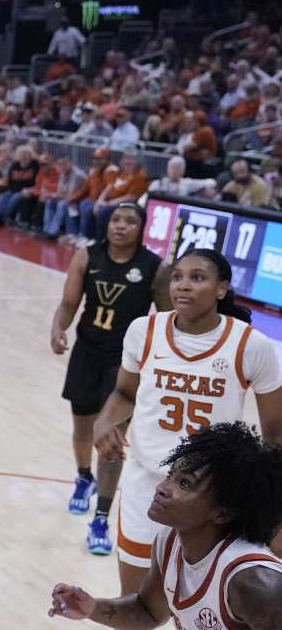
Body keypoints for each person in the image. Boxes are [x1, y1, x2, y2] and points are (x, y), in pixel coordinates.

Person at [93, 249, 282, 594]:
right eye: (178, 276)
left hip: (211, 497)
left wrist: (270, 503)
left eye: (198, 278)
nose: (183, 285)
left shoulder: (251, 346)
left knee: (207, 608)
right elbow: (124, 393)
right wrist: (104, 421)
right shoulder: (144, 331)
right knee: (136, 604)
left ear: (221, 288)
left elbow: (275, 433)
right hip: (147, 486)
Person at [48, 422, 282, 629]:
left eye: (184, 483)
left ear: (222, 512)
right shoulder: (170, 541)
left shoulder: (254, 584)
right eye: (171, 475)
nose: (162, 487)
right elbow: (148, 611)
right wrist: (92, 608)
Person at [51, 203, 170, 556]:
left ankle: (101, 517)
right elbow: (69, 302)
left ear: (141, 228)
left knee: (112, 437)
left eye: (130, 221)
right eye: (116, 220)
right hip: (87, 351)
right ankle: (83, 477)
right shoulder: (86, 256)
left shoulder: (154, 267)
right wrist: (59, 328)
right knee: (84, 427)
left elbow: (165, 317)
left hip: (126, 362)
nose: (121, 226)